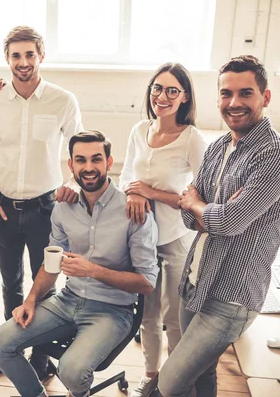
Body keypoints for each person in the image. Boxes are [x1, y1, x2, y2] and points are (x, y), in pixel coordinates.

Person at [158, 55, 280, 397]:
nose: (234, 103)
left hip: (232, 297)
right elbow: (190, 218)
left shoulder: (276, 155)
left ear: (265, 97)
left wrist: (197, 202)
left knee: (169, 382)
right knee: (202, 376)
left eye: (245, 93)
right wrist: (202, 209)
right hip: (197, 281)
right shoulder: (219, 146)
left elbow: (227, 221)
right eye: (226, 94)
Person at [0, 130, 158, 397]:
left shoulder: (132, 210)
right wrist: (31, 300)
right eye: (81, 160)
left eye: (96, 159)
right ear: (71, 165)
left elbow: (147, 283)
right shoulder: (63, 207)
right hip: (67, 301)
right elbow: (51, 264)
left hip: (112, 310)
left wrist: (93, 271)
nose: (88, 168)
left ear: (109, 163)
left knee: (71, 370)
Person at [0, 25, 83, 378]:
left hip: (46, 208)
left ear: (41, 56)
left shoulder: (63, 99)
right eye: (16, 55)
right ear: (7, 59)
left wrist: (72, 182)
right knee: (11, 282)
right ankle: (12, 347)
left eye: (29, 54)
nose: (23, 62)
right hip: (4, 207)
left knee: (47, 281)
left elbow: (77, 149)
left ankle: (41, 354)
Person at [119, 63, 207, 397]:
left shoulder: (192, 139)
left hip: (175, 240)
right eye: (158, 88)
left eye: (172, 90)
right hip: (142, 238)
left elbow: (200, 196)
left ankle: (174, 382)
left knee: (174, 317)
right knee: (147, 315)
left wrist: (150, 192)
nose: (163, 96)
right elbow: (126, 174)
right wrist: (133, 189)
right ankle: (151, 375)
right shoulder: (139, 130)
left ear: (185, 97)